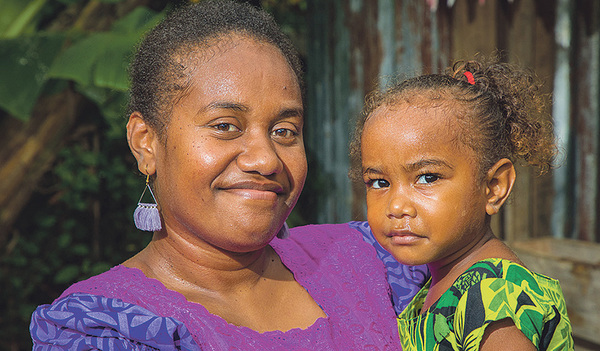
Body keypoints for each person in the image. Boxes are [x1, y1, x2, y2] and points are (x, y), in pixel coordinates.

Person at [30, 1, 428, 349]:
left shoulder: (373, 258)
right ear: (146, 142)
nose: (265, 159)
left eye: (285, 131)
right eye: (225, 126)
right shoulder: (106, 329)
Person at [350, 59, 574, 350]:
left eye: (427, 177)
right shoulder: (441, 286)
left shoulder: (489, 293)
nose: (396, 206)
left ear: (494, 187)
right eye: (379, 182)